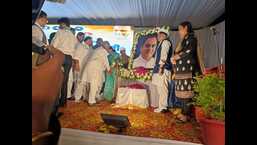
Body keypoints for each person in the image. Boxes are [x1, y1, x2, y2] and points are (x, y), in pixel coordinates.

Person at [171, 21, 201, 122]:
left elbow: (189, 51)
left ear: (186, 28)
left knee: (187, 93)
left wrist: (177, 56)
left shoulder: (192, 39)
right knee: (183, 93)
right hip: (181, 72)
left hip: (188, 71)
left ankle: (185, 115)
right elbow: (177, 51)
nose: (179, 31)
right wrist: (175, 57)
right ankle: (184, 113)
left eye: (180, 29)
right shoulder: (183, 40)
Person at [51, 17, 78, 107]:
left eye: (60, 24)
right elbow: (75, 49)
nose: (59, 26)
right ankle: (63, 102)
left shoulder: (60, 32)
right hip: (69, 58)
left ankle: (54, 102)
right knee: (64, 81)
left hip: (60, 56)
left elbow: (54, 45)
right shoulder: (73, 35)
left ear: (64, 24)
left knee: (56, 79)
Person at [79, 41, 111, 106]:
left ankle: (89, 98)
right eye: (108, 47)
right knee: (94, 84)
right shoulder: (102, 51)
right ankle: (91, 101)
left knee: (93, 84)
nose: (108, 48)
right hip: (95, 68)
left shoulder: (98, 49)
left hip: (93, 68)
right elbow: (106, 61)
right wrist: (109, 69)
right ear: (105, 46)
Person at [152, 27, 173, 113]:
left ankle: (163, 107)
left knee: (163, 88)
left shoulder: (166, 42)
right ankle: (161, 106)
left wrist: (161, 68)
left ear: (163, 35)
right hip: (159, 68)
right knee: (160, 88)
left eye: (159, 34)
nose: (158, 36)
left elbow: (164, 55)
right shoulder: (161, 43)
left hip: (163, 69)